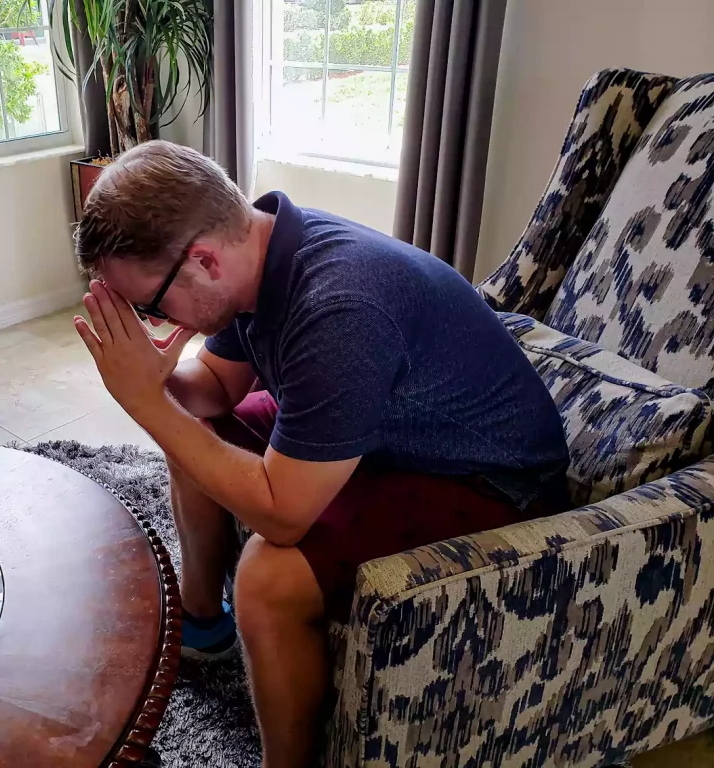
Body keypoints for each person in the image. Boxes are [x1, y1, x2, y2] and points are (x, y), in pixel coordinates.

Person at [72, 140, 569, 768]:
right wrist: (149, 378)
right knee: (198, 436)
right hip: (388, 432)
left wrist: (145, 404)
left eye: (149, 303)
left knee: (267, 579)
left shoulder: (339, 307)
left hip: (488, 477)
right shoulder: (260, 249)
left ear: (202, 260)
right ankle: (203, 621)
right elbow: (215, 389)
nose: (152, 318)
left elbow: (283, 516)